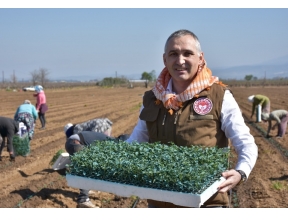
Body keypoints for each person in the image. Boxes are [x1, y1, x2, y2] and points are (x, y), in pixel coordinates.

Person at [126, 29, 258, 208]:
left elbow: (246, 143)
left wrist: (241, 172)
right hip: (160, 202)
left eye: (187, 53)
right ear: (165, 59)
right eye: (173, 54)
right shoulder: (152, 99)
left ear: (200, 58)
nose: (180, 61)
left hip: (206, 203)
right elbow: (135, 142)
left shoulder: (219, 96)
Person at [64, 118, 113, 208]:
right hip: (79, 143)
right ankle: (84, 198)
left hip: (78, 142)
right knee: (87, 167)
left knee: (87, 166)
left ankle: (86, 189)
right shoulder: (81, 127)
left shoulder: (75, 131)